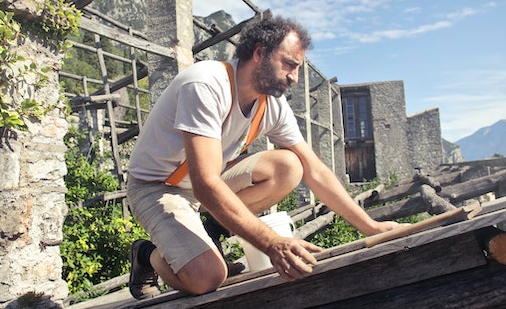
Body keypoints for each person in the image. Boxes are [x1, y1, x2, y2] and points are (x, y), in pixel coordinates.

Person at [125, 15, 405, 299]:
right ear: (260, 53)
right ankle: (148, 255)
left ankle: (210, 232)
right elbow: (206, 185)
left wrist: (371, 227)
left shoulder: (272, 106)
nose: (295, 78)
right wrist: (273, 243)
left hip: (205, 184)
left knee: (289, 166)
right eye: (290, 65)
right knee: (207, 277)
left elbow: (315, 171)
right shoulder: (205, 84)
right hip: (158, 187)